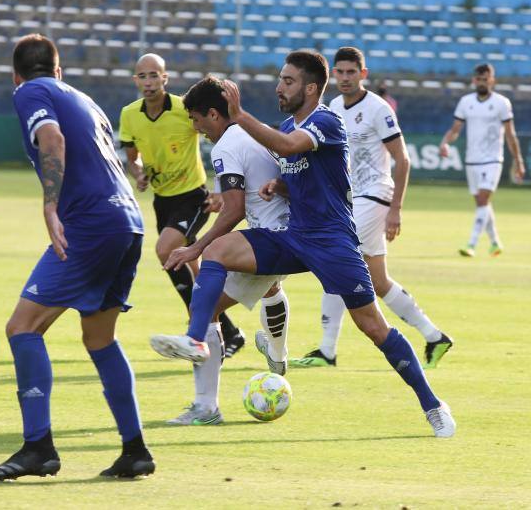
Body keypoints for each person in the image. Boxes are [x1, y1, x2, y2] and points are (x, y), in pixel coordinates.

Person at [150, 50, 456, 438]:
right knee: (215, 250)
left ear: (311, 88)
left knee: (373, 327)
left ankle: (432, 404)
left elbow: (293, 147)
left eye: (288, 81)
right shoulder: (287, 125)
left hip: (332, 241)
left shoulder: (326, 120)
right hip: (293, 237)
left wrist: (240, 116)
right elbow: (294, 168)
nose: (280, 86)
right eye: (280, 79)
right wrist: (280, 184)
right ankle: (198, 341)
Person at [0, 34, 154, 481]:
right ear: (59, 70)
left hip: (91, 224)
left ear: (15, 75)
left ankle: (38, 448)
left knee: (23, 327)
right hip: (128, 223)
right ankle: (135, 450)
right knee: (99, 338)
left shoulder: (29, 92)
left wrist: (50, 205)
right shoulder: (84, 99)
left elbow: (51, 139)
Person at [291, 47, 453, 370]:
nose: (346, 78)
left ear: (363, 74)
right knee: (379, 282)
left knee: (334, 259)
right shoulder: (333, 107)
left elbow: (402, 159)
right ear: (333, 75)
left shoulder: (378, 109)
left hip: (375, 196)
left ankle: (326, 349)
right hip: (351, 200)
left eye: (352, 72)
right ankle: (434, 336)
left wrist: (396, 209)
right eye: (341, 72)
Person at [157, 76, 291, 426]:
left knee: (210, 276)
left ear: (214, 115)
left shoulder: (226, 146)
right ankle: (276, 354)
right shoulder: (256, 130)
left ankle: (205, 406)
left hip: (270, 239)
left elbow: (235, 210)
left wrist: (194, 248)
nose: (195, 127)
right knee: (218, 304)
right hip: (285, 234)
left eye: (196, 119)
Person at [118, 53, 246, 357]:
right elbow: (131, 153)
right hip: (163, 200)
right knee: (193, 271)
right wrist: (138, 173)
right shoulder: (129, 114)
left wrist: (219, 188)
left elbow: (219, 140)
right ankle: (229, 332)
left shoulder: (183, 109)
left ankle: (197, 329)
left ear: (165, 78)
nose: (148, 82)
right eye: (142, 76)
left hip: (193, 196)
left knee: (166, 250)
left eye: (154, 75)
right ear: (135, 80)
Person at [439, 63, 525, 257]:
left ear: (492, 80)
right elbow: (455, 130)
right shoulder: (466, 102)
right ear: (473, 80)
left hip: (493, 159)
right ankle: (495, 242)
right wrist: (445, 143)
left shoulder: (502, 103)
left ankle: (471, 244)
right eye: (479, 79)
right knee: (482, 204)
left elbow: (510, 135)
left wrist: (518, 161)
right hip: (472, 160)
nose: (482, 82)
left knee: (484, 199)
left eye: (486, 79)